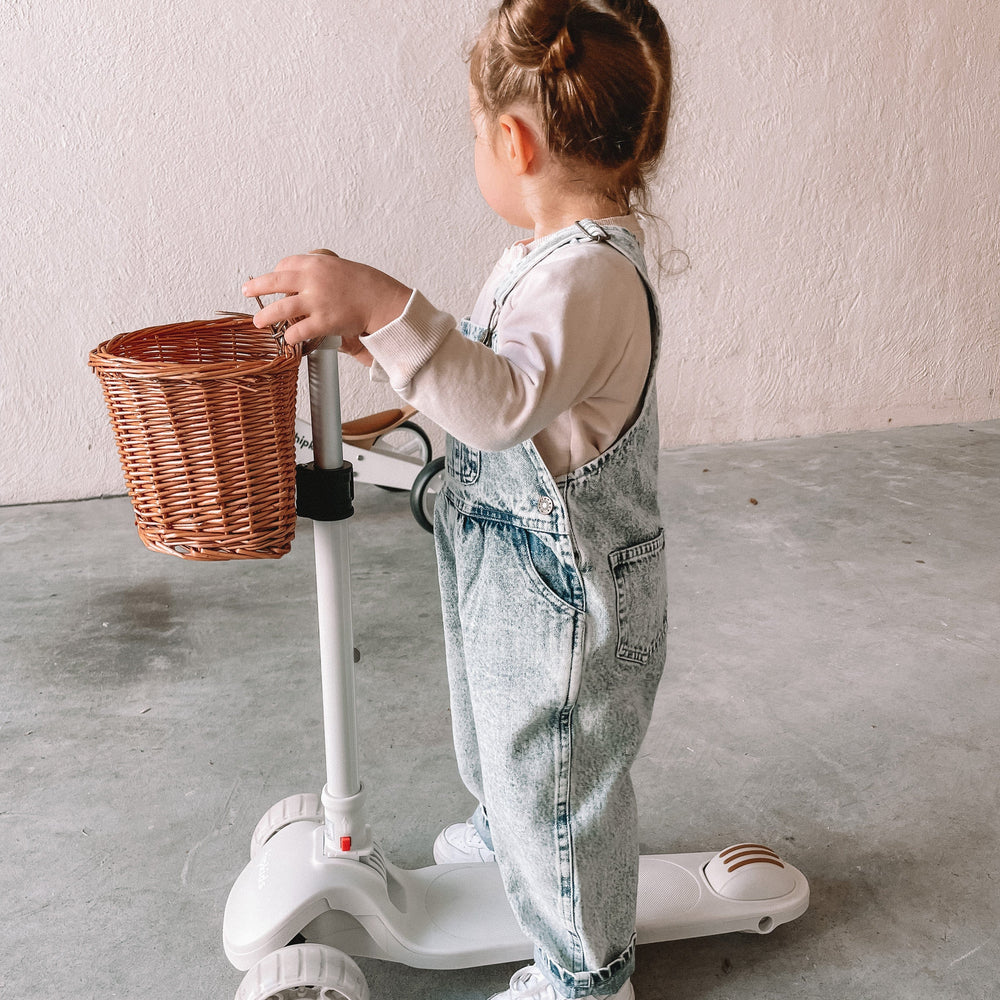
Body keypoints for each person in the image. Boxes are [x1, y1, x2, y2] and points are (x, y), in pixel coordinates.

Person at [244, 2, 673, 996]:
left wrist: (386, 305)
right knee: (496, 736)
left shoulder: (590, 279)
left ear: (511, 140)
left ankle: (585, 974)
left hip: (568, 601)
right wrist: (388, 345)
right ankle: (504, 833)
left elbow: (506, 404)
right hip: (510, 570)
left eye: (474, 130)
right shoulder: (545, 257)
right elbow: (487, 373)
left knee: (554, 773)